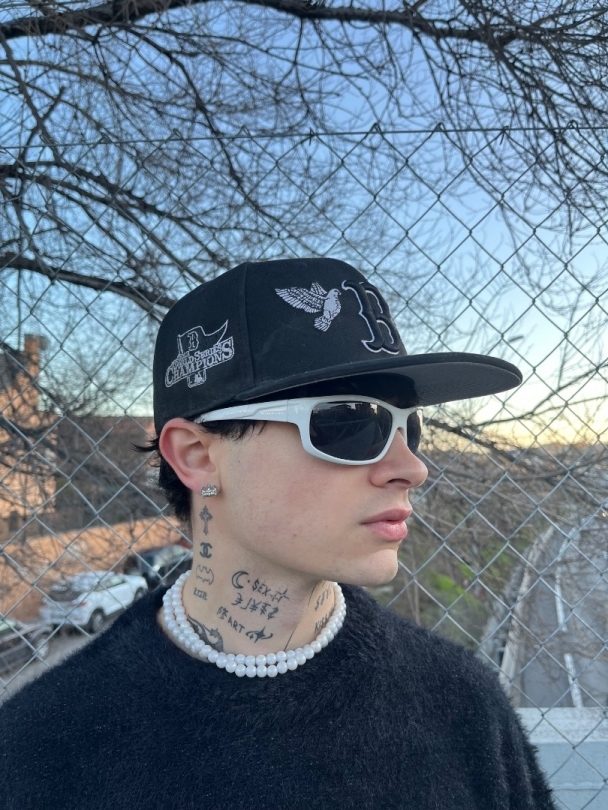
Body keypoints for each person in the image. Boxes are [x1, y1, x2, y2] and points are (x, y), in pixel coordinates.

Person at [0, 258, 556, 810]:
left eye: (409, 427)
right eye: (349, 421)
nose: (411, 468)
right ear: (197, 456)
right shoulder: (39, 747)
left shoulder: (460, 703)